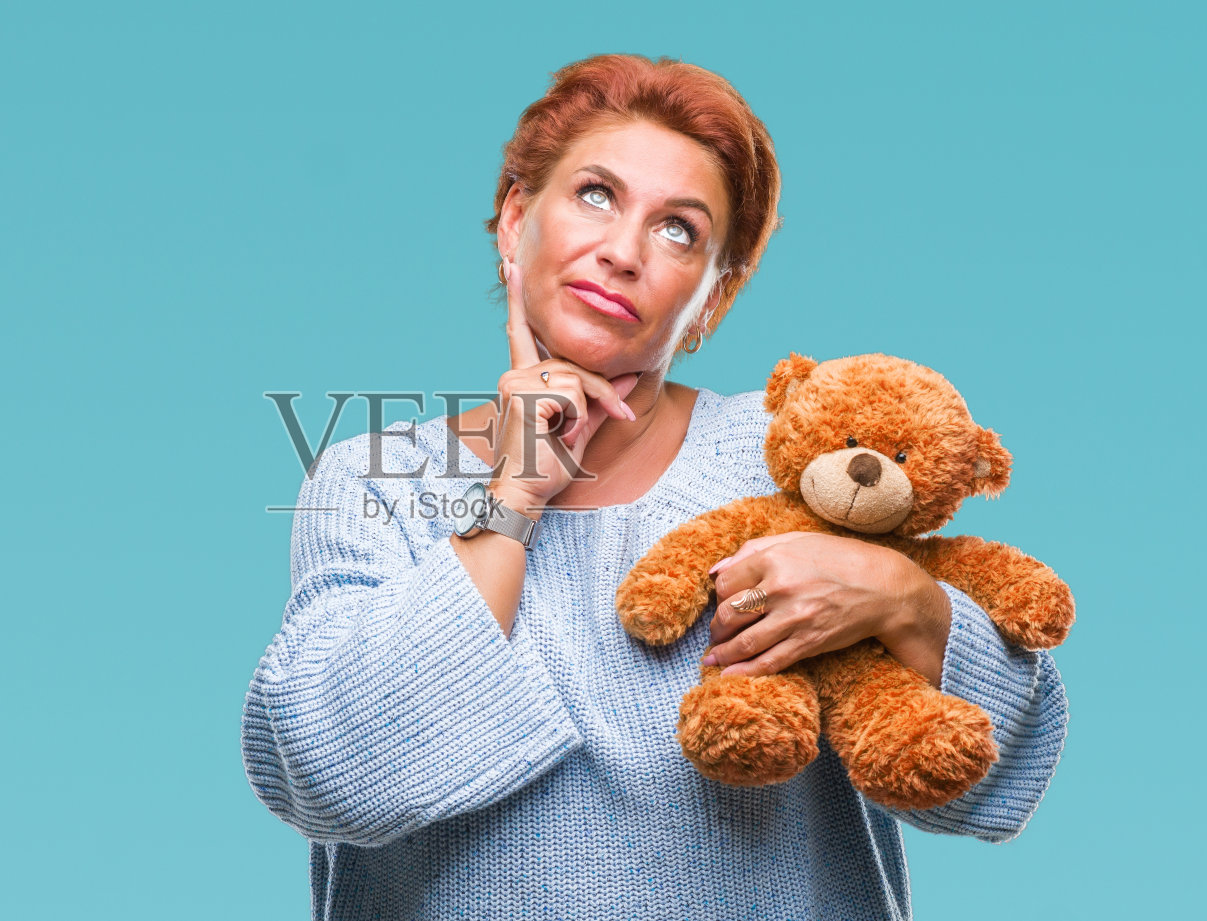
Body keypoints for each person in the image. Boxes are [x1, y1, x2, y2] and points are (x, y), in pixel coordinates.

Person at [241, 53, 1068, 920]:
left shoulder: (800, 457)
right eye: (595, 194)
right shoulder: (380, 480)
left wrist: (905, 598)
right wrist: (517, 494)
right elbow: (328, 770)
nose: (624, 251)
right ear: (514, 219)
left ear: (715, 296)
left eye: (680, 230)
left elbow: (1006, 765)